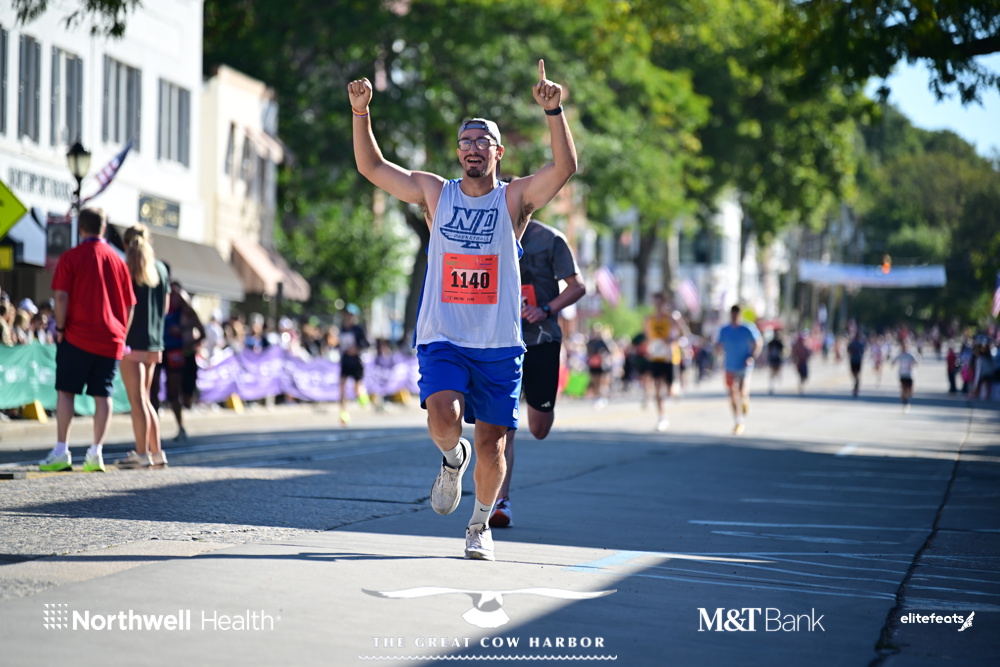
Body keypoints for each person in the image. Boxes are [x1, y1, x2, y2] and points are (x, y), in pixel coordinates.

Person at [349, 58, 577, 560]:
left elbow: (564, 169)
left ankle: (479, 525)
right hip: (444, 335)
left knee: (494, 444)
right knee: (443, 416)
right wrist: (361, 112)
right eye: (465, 141)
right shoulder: (435, 193)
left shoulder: (514, 200)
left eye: (483, 141)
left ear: (497, 152)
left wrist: (553, 111)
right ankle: (453, 458)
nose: (473, 148)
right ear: (458, 152)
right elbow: (372, 168)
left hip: (498, 343)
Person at [490, 219, 585, 528]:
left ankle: (541, 404)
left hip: (542, 339)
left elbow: (578, 286)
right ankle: (501, 501)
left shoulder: (550, 238)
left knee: (539, 428)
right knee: (502, 428)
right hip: (502, 342)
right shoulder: (488, 231)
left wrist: (544, 309)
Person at [39, 208, 135, 473]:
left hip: (76, 336)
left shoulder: (71, 257)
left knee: (66, 392)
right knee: (103, 394)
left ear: (80, 228)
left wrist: (60, 328)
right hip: (111, 338)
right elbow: (130, 305)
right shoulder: (118, 261)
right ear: (104, 228)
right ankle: (96, 453)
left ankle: (62, 451)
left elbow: (61, 297)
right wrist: (122, 335)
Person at [118, 225, 171, 469]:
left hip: (133, 341)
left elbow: (123, 305)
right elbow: (165, 308)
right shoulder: (161, 268)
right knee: (146, 399)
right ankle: (156, 451)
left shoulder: (128, 267)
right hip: (155, 341)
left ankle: (141, 453)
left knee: (137, 400)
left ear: (125, 244)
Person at [163, 282, 205, 441]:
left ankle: (181, 426)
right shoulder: (162, 307)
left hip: (182, 354)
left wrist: (187, 341)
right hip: (164, 351)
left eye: (176, 294)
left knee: (182, 395)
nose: (173, 297)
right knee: (164, 391)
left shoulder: (187, 312)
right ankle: (153, 431)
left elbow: (202, 333)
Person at [643, 292, 689, 431]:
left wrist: (672, 340)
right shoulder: (649, 319)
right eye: (655, 302)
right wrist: (649, 348)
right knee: (657, 387)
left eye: (660, 302)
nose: (657, 305)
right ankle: (662, 418)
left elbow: (684, 333)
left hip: (670, 357)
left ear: (664, 303)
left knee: (670, 391)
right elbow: (647, 336)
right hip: (656, 356)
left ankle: (676, 388)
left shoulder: (672, 318)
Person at [715, 305, 763, 435]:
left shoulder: (748, 328)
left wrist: (752, 356)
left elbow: (758, 342)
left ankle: (745, 400)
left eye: (736, 315)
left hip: (744, 365)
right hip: (729, 366)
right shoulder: (724, 330)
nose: (734, 317)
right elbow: (718, 345)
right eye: (732, 315)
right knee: (732, 393)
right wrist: (717, 352)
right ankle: (738, 421)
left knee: (742, 392)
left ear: (740, 315)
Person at [338, 306, 371, 426]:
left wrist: (356, 349)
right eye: (346, 315)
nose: (348, 317)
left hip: (356, 361)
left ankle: (364, 399)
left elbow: (367, 344)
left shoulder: (358, 329)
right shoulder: (342, 328)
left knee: (357, 388)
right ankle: (344, 414)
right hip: (345, 361)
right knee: (342, 387)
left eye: (350, 315)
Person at [892, 340, 919, 413]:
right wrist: (892, 364)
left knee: (910, 391)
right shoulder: (900, 354)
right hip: (902, 374)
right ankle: (905, 402)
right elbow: (894, 360)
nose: (904, 347)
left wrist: (913, 364)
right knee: (903, 389)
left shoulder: (911, 354)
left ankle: (907, 398)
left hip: (910, 374)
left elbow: (916, 361)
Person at [791, 329, 812, 394]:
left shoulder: (805, 345)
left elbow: (808, 353)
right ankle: (801, 388)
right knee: (801, 376)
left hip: (803, 363)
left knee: (804, 376)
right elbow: (793, 354)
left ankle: (801, 386)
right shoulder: (797, 346)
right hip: (799, 363)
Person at [847, 330, 866, 397]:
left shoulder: (860, 344)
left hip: (858, 360)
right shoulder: (852, 343)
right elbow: (848, 349)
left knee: (857, 374)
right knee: (854, 374)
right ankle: (856, 385)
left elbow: (863, 351)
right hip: (853, 360)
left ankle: (856, 387)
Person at [766, 330, 785, 395]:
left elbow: (783, 351)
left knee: (777, 370)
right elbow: (768, 351)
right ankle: (772, 385)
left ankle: (777, 379)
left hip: (778, 359)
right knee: (772, 372)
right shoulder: (771, 343)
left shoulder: (780, 343)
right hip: (773, 359)